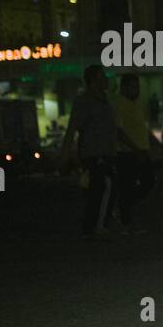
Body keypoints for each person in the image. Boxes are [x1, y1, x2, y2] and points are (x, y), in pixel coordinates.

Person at [61, 65, 123, 239]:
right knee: (104, 187)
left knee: (105, 188)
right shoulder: (84, 102)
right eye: (102, 76)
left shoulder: (106, 100)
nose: (106, 79)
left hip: (107, 153)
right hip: (93, 153)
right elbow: (72, 128)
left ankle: (99, 223)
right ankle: (96, 226)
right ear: (94, 80)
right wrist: (65, 154)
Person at [112, 74, 155, 233]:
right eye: (132, 86)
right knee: (128, 187)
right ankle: (126, 221)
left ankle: (126, 210)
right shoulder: (119, 104)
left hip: (140, 150)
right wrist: (135, 148)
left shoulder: (135, 104)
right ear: (123, 88)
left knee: (148, 182)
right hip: (128, 153)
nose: (136, 90)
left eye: (137, 87)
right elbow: (119, 131)